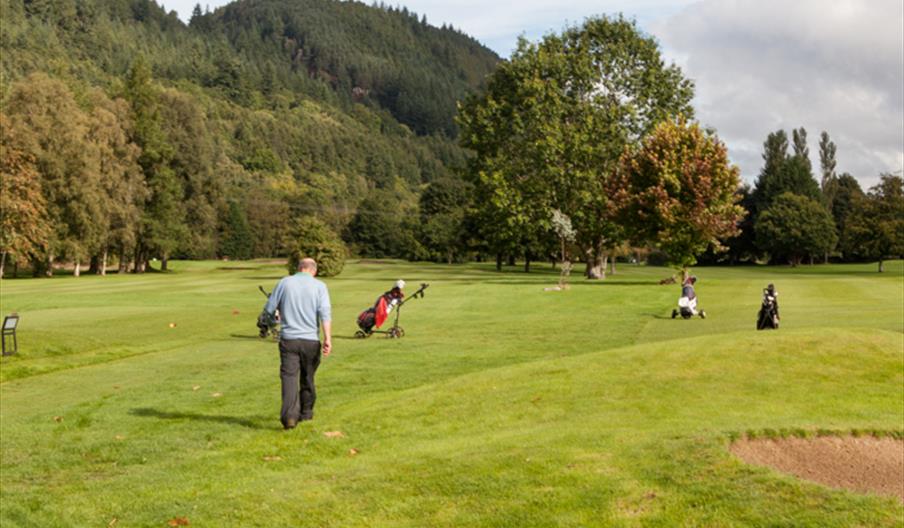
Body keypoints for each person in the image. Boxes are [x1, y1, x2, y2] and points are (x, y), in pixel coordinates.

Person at [261, 257, 332, 429]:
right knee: (307, 377)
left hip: (289, 339)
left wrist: (271, 324)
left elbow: (269, 309)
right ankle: (306, 412)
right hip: (311, 341)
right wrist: (328, 338)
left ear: (299, 268)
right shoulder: (320, 286)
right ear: (313, 271)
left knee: (289, 377)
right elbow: (325, 313)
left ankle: (290, 417)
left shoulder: (284, 282)